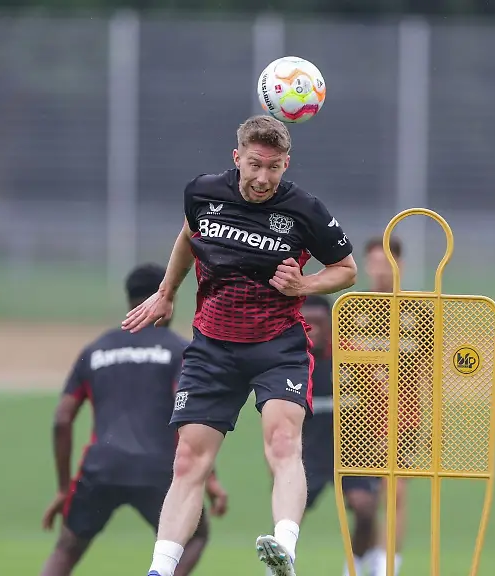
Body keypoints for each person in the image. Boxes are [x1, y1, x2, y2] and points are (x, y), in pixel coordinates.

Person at [121, 115, 357, 576]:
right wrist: (166, 292)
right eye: (255, 165)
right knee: (189, 458)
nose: (263, 177)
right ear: (238, 158)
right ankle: (160, 570)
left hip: (277, 345)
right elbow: (189, 236)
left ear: (286, 164)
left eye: (274, 168)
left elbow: (347, 270)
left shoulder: (305, 210)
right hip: (213, 346)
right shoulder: (203, 192)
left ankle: (284, 551)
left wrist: (303, 285)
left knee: (284, 441)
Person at [38, 264, 228, 576]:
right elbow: (190, 414)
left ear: (130, 301)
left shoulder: (96, 349)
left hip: (100, 468)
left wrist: (63, 489)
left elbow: (62, 419)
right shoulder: (179, 351)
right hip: (158, 469)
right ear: (165, 299)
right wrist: (210, 480)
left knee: (66, 550)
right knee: (193, 539)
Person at [294, 295, 381, 576]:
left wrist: (379, 443)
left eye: (320, 323)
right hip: (307, 451)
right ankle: (278, 568)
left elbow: (379, 403)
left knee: (365, 510)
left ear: (333, 325)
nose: (314, 330)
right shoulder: (292, 360)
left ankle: (352, 569)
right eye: (308, 324)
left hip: (351, 449)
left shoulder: (353, 357)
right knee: (288, 516)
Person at [360, 235, 419, 576]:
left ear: (400, 265)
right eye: (374, 262)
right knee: (361, 499)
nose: (379, 270)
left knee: (394, 494)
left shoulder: (417, 313)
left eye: (387, 262)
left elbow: (428, 373)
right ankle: (360, 557)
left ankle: (387, 566)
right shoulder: (353, 310)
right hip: (360, 419)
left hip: (403, 420)